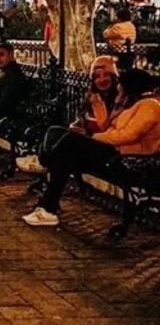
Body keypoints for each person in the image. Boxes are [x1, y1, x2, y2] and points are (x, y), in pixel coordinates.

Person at [23, 68, 160, 227]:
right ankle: (47, 203)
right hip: (114, 149)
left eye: (120, 85)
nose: (118, 88)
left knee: (69, 144)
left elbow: (127, 136)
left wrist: (92, 137)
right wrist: (114, 105)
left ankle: (44, 175)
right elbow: (109, 127)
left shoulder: (150, 106)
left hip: (126, 156)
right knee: (56, 133)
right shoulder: (131, 104)